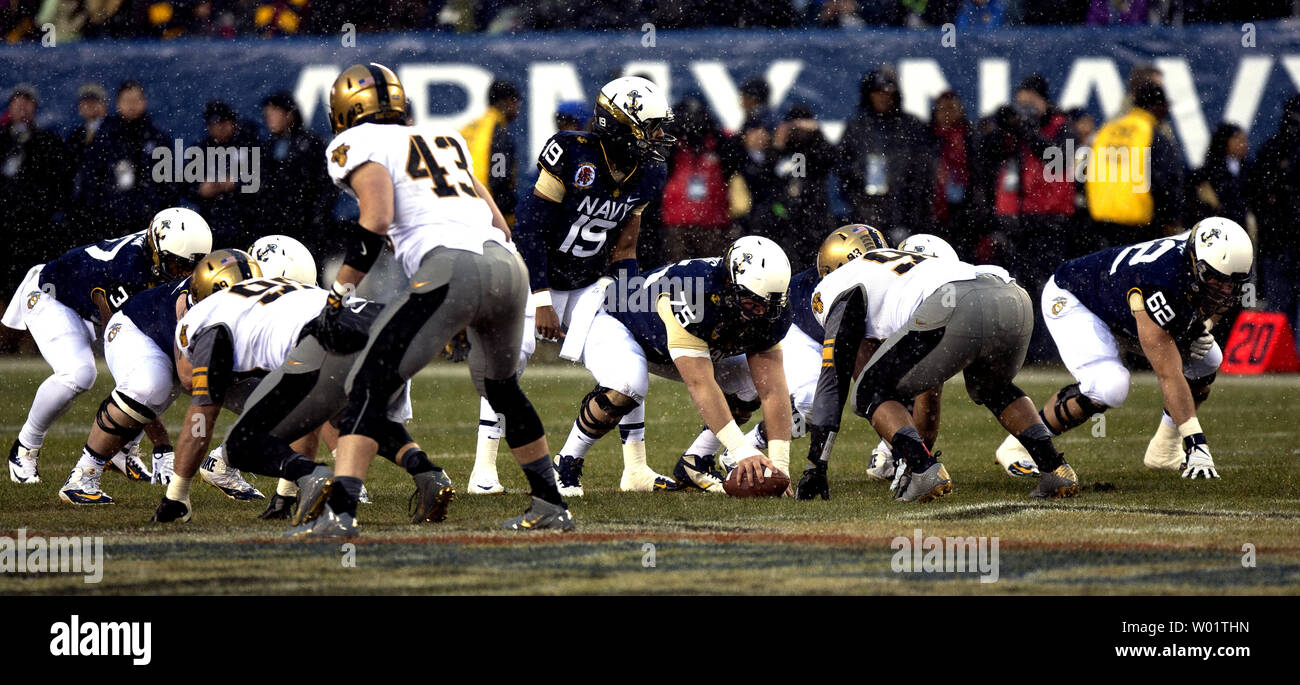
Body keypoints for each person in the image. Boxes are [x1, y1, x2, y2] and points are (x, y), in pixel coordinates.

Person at [297, 62, 570, 536]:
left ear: (346, 109)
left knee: (368, 383)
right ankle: (550, 504)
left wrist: (338, 294)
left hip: (451, 268)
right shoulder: (445, 139)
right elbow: (499, 226)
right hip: (507, 266)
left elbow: (376, 219)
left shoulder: (354, 144)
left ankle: (339, 516)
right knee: (502, 388)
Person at [467, 76, 673, 495]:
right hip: (529, 277)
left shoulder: (650, 171)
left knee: (630, 374)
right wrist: (541, 299)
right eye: (649, 127)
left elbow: (626, 244)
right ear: (622, 123)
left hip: (588, 285)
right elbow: (530, 232)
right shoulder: (572, 153)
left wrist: (630, 299)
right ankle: (483, 471)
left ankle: (634, 468)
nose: (658, 137)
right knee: (504, 366)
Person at [796, 229, 1079, 503]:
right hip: (1010, 294)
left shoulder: (832, 286)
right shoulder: (898, 265)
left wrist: (815, 467)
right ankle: (1055, 468)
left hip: (955, 302)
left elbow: (834, 379)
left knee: (867, 392)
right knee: (992, 388)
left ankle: (924, 469)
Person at [150, 249, 425, 524]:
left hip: (323, 340)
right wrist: (284, 496)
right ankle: (428, 473)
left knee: (241, 444)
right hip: (384, 326)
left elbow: (199, 406)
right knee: (349, 416)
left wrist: (176, 494)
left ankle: (316, 475)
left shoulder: (206, 316)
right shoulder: (288, 291)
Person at [995, 218, 1252, 479]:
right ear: (1195, 261)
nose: (1223, 289)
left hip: (1122, 308)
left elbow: (1210, 300)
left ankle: (1164, 449)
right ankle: (1022, 443)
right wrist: (1196, 442)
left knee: (1208, 361)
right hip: (1076, 298)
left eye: (1231, 282)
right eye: (1215, 280)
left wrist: (1199, 325)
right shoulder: (1158, 280)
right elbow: (1168, 373)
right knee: (1110, 386)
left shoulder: (1203, 258)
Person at [552, 236, 795, 495]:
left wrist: (781, 467)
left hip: (668, 343)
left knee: (751, 388)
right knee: (628, 383)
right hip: (616, 319)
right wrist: (742, 450)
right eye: (751, 303)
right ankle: (566, 461)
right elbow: (701, 384)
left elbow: (773, 390)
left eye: (768, 306)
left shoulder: (770, 309)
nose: (760, 314)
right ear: (729, 282)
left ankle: (696, 461)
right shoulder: (692, 292)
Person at [4, 207, 212, 484]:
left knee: (168, 370)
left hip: (87, 303)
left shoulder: (165, 251)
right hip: (53, 297)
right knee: (79, 373)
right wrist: (162, 444)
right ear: (156, 250)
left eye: (190, 267)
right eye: (176, 265)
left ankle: (121, 450)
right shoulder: (124, 271)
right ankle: (25, 448)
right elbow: (122, 351)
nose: (182, 274)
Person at [838, 65, 935, 245]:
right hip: (866, 214)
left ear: (895, 95)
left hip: (905, 215)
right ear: (869, 95)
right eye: (877, 92)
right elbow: (843, 168)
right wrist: (859, 200)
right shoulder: (857, 128)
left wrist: (912, 210)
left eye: (887, 92)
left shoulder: (911, 126)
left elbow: (923, 173)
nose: (882, 97)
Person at [70, 80, 176, 237]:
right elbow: (91, 180)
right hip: (110, 223)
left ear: (144, 102)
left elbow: (168, 184)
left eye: (136, 100)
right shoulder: (104, 137)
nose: (132, 105)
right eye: (127, 101)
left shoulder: (157, 138)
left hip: (149, 222)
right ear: (118, 103)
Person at [1087, 81, 1185, 247]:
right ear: (1156, 105)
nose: (1167, 111)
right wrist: (1170, 218)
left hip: (1101, 219)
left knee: (1109, 271)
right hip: (1138, 224)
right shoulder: (1152, 135)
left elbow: (1088, 170)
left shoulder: (1107, 129)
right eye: (1165, 105)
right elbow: (1165, 182)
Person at [0, 84, 72, 294]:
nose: (22, 107)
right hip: (5, 228)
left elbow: (61, 183)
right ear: (10, 107)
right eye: (17, 102)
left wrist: (45, 210)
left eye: (27, 102)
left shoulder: (48, 141)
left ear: (35, 107)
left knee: (33, 285)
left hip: (36, 229)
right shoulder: (2, 140)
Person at [660, 95, 745, 262]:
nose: (692, 122)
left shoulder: (720, 143)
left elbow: (737, 160)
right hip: (678, 224)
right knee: (679, 278)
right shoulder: (671, 145)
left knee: (709, 276)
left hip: (712, 224)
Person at [1249, 95, 1300, 351]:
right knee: (1281, 303)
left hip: (1276, 240)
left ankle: (1279, 355)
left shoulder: (1271, 148)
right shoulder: (1275, 150)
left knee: (1279, 304)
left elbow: (1257, 197)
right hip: (1282, 240)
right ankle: (1286, 355)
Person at [259, 91, 335, 262]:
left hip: (307, 230)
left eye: (274, 113)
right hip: (274, 230)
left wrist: (316, 218)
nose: (270, 118)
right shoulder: (266, 148)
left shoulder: (313, 144)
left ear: (290, 114)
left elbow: (327, 187)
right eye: (267, 114)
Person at [191, 100, 259, 248]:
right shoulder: (201, 150)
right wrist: (200, 189)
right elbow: (185, 184)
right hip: (212, 227)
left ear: (232, 123)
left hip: (246, 225)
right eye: (214, 125)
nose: (219, 129)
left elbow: (263, 180)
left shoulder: (250, 145)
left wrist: (237, 183)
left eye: (223, 123)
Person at [460, 80, 521, 224]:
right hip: (482, 212)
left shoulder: (468, 128)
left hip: (458, 207)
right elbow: (499, 179)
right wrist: (507, 218)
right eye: (515, 101)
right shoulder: (500, 134)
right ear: (504, 101)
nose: (517, 107)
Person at [1185, 123, 1249, 227]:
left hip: (1241, 228)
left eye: (1244, 140)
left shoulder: (1249, 169)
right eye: (1237, 139)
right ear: (1225, 142)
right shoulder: (1208, 172)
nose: (1243, 144)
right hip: (1215, 226)